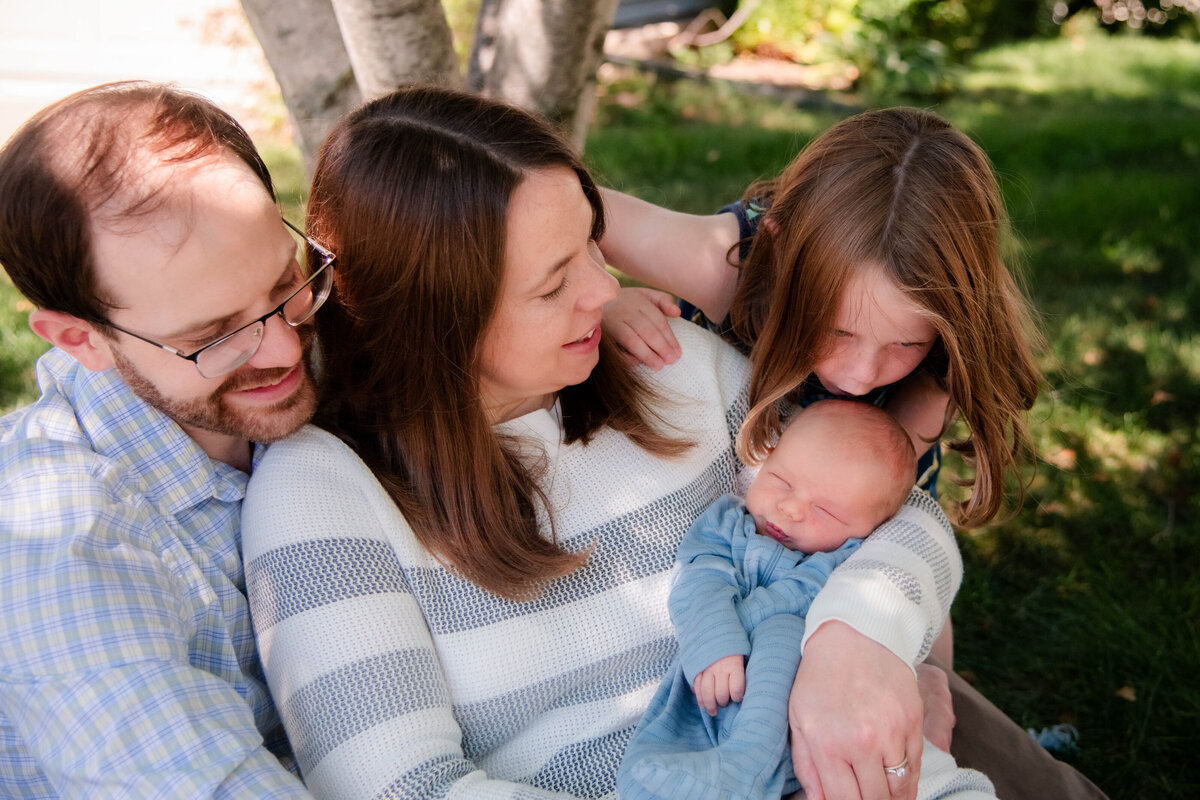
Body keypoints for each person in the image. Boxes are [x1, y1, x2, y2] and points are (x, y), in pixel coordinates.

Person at [241, 85, 966, 800]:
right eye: (553, 285)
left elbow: (906, 518)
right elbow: (402, 786)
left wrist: (857, 638)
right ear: (436, 317)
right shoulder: (320, 492)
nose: (603, 288)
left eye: (592, 243)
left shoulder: (676, 365)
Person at [597, 108, 1106, 799]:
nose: (864, 376)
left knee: (935, 713)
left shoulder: (935, 370)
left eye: (903, 342)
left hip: (844, 550)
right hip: (723, 568)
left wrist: (916, 671)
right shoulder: (730, 262)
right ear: (782, 253)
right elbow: (550, 213)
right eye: (836, 331)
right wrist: (600, 302)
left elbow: (900, 518)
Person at [0, 82, 321, 797]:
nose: (284, 350)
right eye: (213, 336)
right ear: (79, 338)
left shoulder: (294, 343)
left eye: (283, 284)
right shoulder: (55, 543)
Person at [619, 400, 994, 800]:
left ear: (870, 530)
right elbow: (699, 580)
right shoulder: (729, 526)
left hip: (816, 723)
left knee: (786, 632)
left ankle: (746, 771)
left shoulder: (846, 561)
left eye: (825, 511)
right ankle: (728, 773)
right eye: (781, 481)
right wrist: (713, 642)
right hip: (717, 694)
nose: (791, 508)